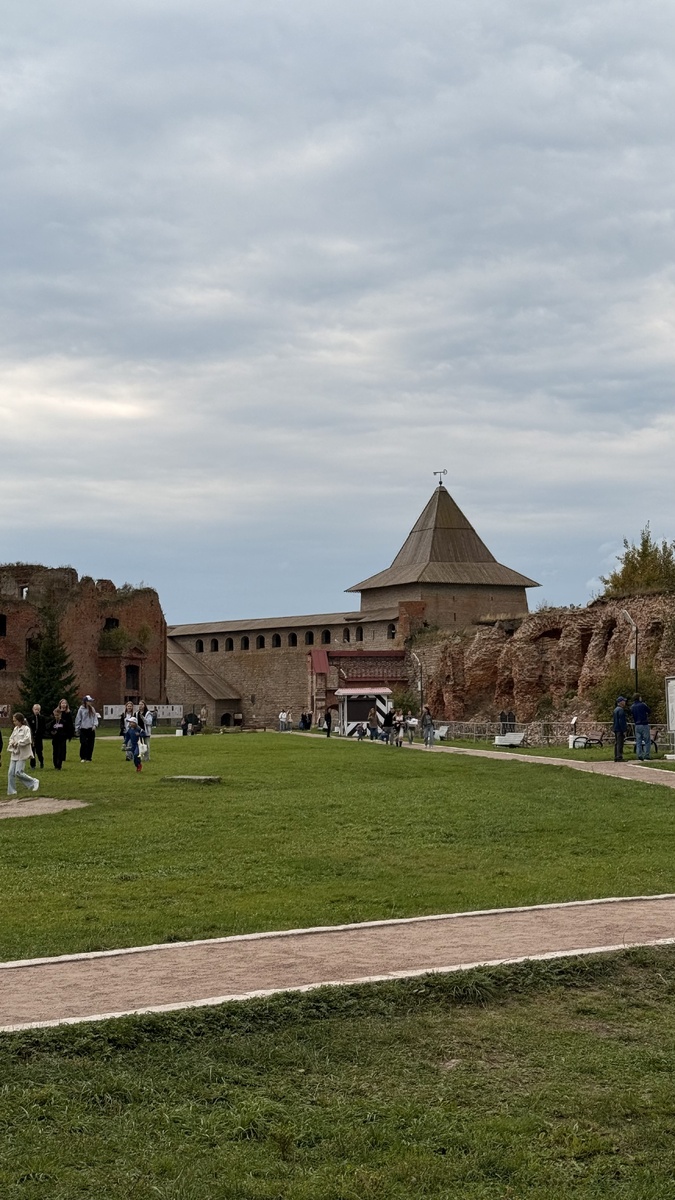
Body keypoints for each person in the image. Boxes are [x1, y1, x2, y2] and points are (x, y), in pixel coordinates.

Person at [7, 713, 39, 796]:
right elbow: (11, 738)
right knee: (10, 773)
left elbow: (28, 739)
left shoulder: (26, 729)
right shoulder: (15, 729)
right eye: (13, 721)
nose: (14, 722)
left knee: (18, 772)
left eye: (15, 721)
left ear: (20, 721)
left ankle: (33, 781)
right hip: (15, 753)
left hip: (22, 754)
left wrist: (18, 742)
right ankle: (11, 791)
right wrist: (12, 743)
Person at [51, 699, 74, 770]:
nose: (63, 704)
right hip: (55, 737)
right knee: (55, 751)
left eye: (65, 703)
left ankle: (59, 765)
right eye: (62, 703)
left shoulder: (67, 716)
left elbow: (69, 725)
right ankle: (55, 764)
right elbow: (50, 727)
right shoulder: (53, 720)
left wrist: (69, 734)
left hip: (62, 736)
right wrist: (52, 732)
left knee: (61, 750)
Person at [75, 695, 98, 762]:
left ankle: (88, 758)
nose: (90, 702)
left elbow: (95, 718)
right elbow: (78, 719)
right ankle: (83, 757)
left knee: (91, 744)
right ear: (85, 702)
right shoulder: (81, 709)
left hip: (91, 729)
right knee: (83, 743)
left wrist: (95, 725)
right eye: (89, 701)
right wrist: (77, 728)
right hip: (83, 729)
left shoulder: (92, 709)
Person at [631, 693, 651, 761]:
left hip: (637, 725)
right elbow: (649, 711)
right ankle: (646, 755)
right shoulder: (643, 705)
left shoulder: (632, 706)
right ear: (639, 698)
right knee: (647, 740)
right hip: (644, 724)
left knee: (638, 741)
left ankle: (639, 754)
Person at [27, 703, 47, 769]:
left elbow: (44, 727)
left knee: (39, 751)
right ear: (33, 710)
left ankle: (41, 762)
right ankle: (33, 765)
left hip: (39, 737)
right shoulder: (30, 718)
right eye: (35, 709)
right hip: (32, 737)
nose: (36, 711)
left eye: (38, 710)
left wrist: (41, 733)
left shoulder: (42, 718)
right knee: (32, 751)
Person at [613, 696, 628, 762]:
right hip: (620, 729)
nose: (625, 702)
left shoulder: (615, 709)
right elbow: (621, 721)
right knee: (620, 743)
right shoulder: (621, 710)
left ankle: (616, 755)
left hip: (616, 728)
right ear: (621, 702)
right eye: (624, 701)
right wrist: (624, 729)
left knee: (617, 743)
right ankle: (619, 756)